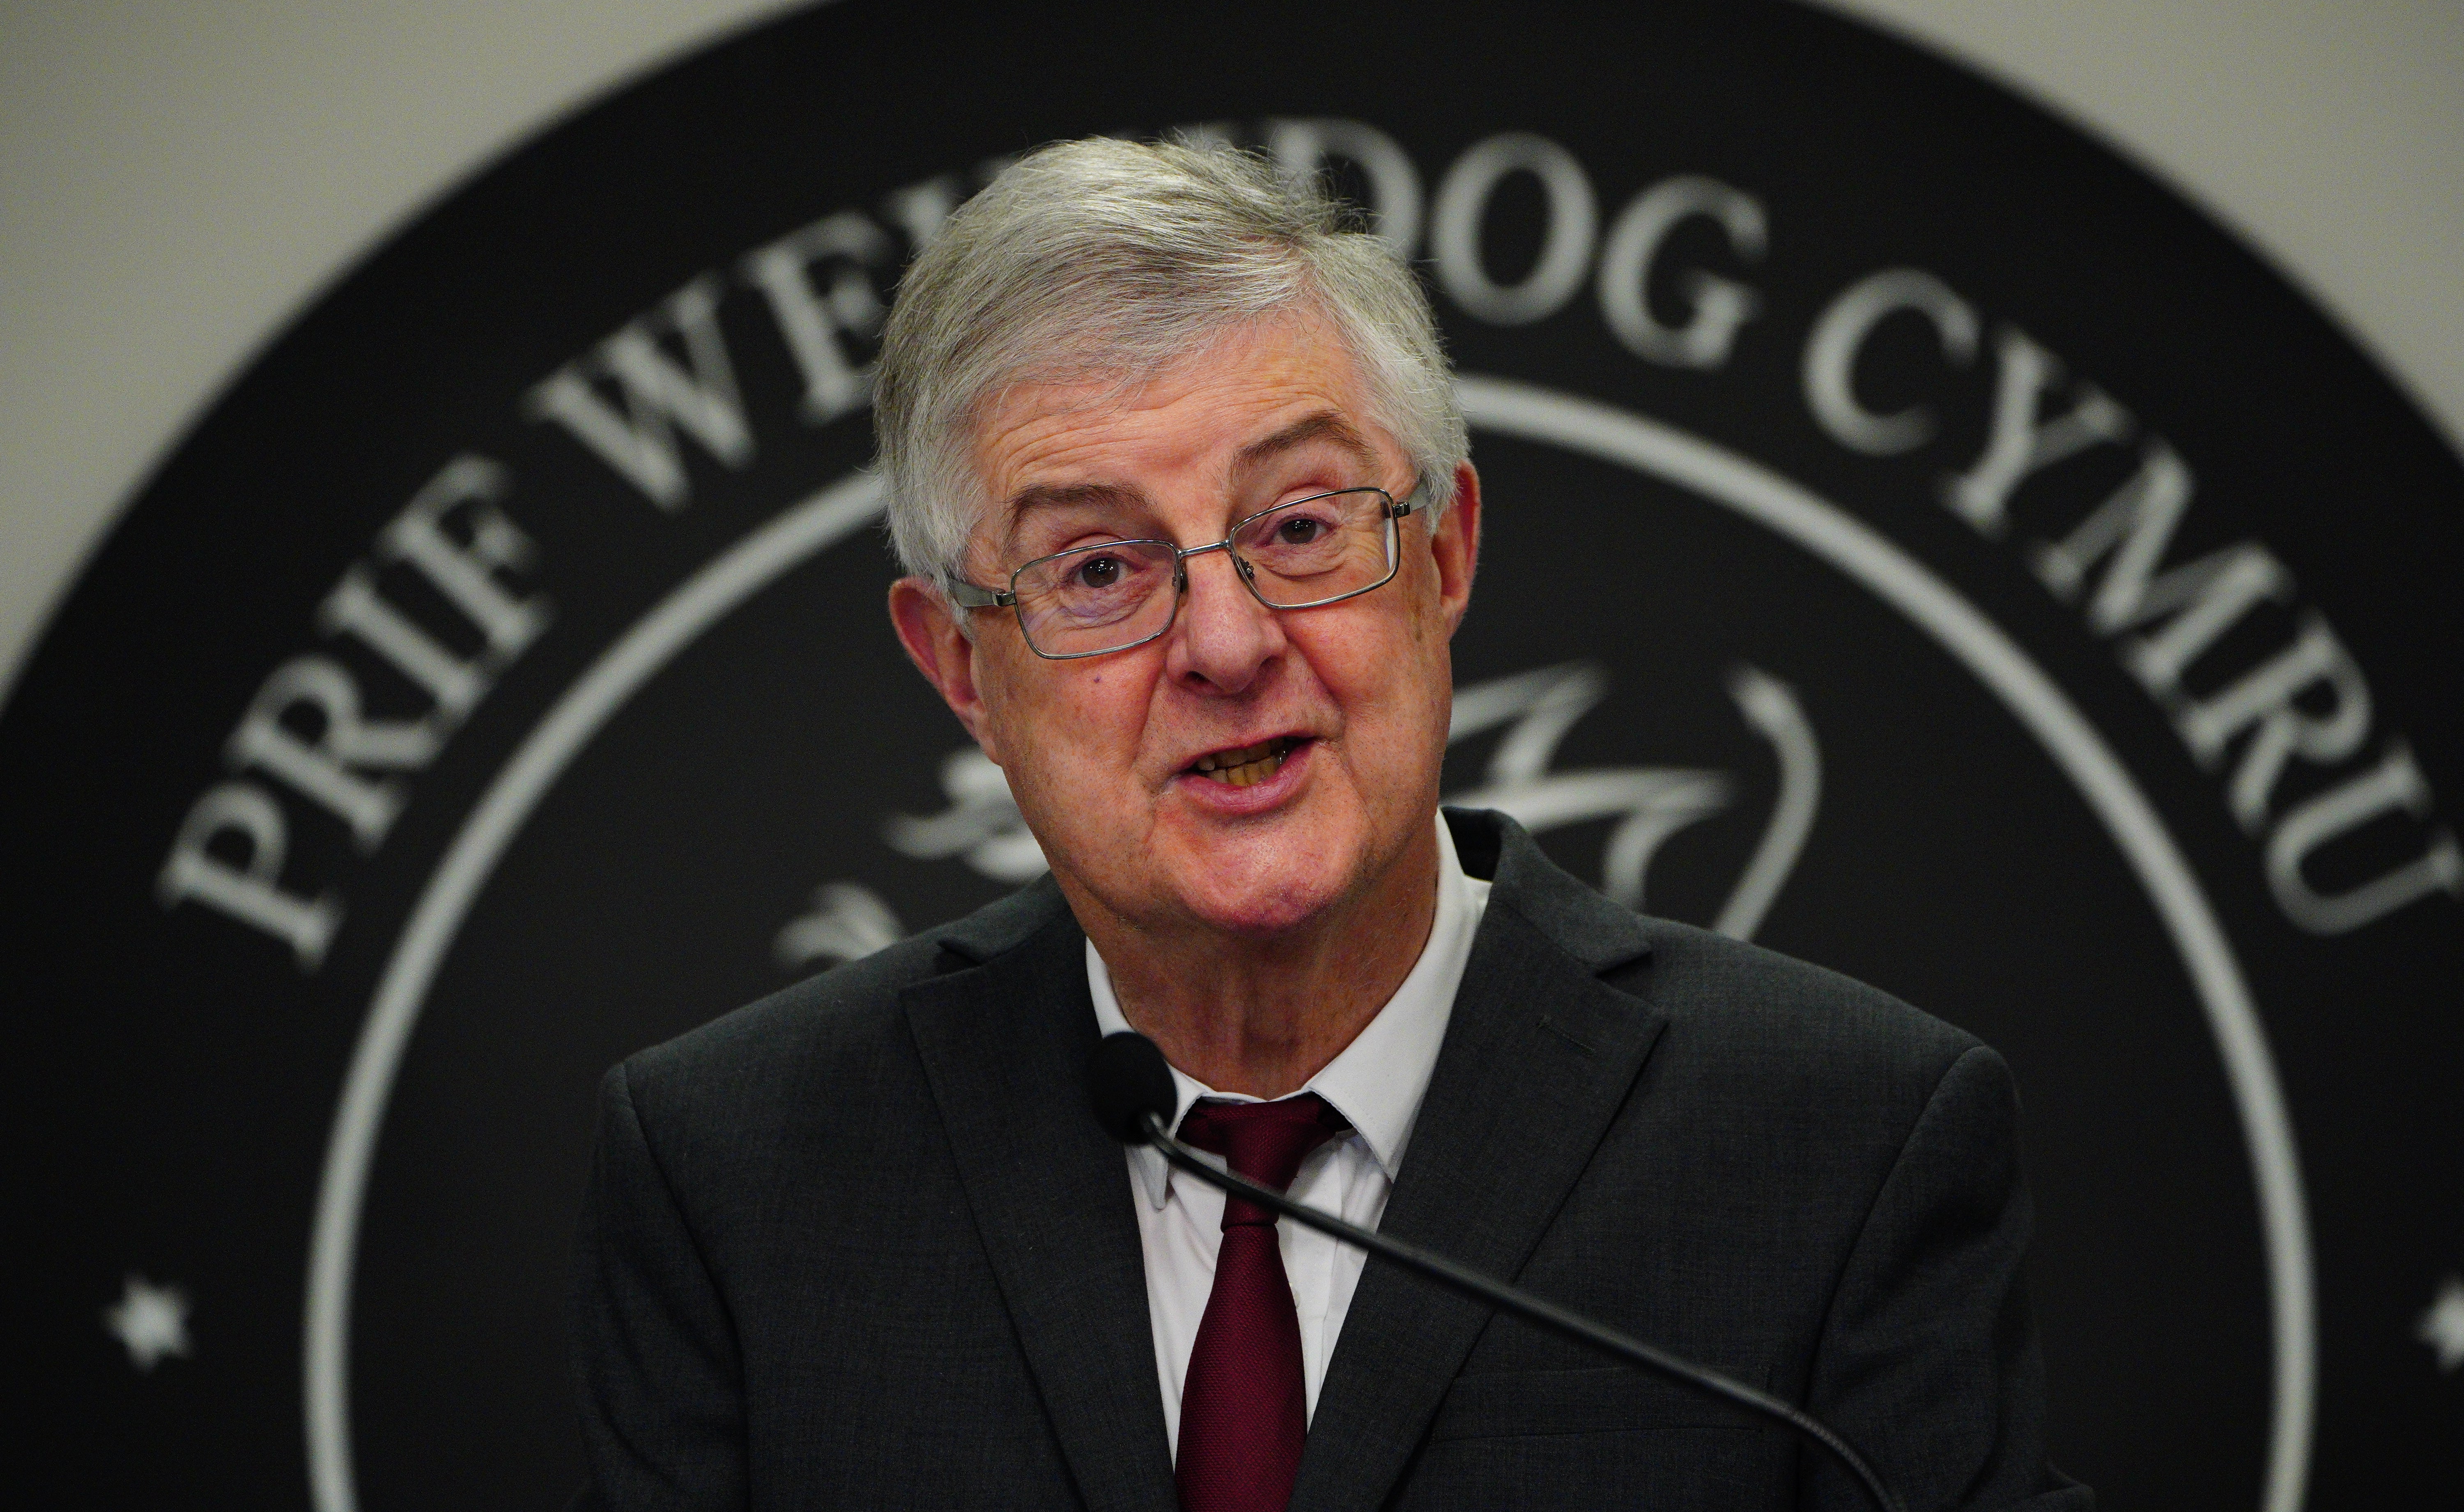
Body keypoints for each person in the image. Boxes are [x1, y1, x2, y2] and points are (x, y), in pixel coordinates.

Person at [570, 138, 2090, 1511]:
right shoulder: (741, 1175)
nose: (1227, 644)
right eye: (1096, 570)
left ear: (1445, 556)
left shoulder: (1844, 1143)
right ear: (963, 665)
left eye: (1300, 527)